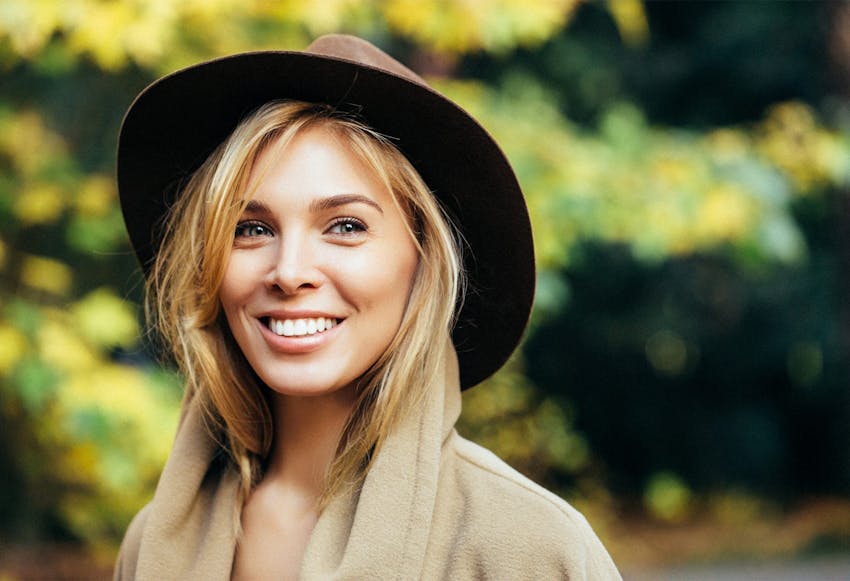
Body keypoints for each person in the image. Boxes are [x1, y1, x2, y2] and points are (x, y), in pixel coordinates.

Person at [113, 34, 621, 580]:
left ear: (424, 259)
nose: (288, 272)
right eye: (251, 229)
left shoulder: (528, 548)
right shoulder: (155, 544)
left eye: (346, 226)